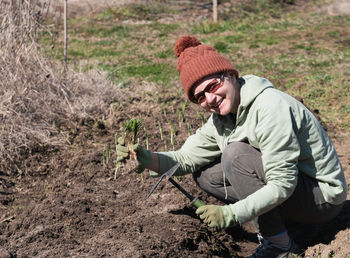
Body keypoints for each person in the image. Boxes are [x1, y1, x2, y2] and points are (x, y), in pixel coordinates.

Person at [116, 36, 347, 258]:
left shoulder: (270, 107)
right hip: (296, 192)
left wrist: (231, 214)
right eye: (200, 97)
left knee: (235, 156)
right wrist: (145, 158)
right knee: (207, 174)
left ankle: (279, 245)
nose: (211, 99)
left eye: (213, 85)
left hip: (322, 199)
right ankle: (279, 224)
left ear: (230, 75)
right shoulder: (221, 119)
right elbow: (186, 158)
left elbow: (282, 183)